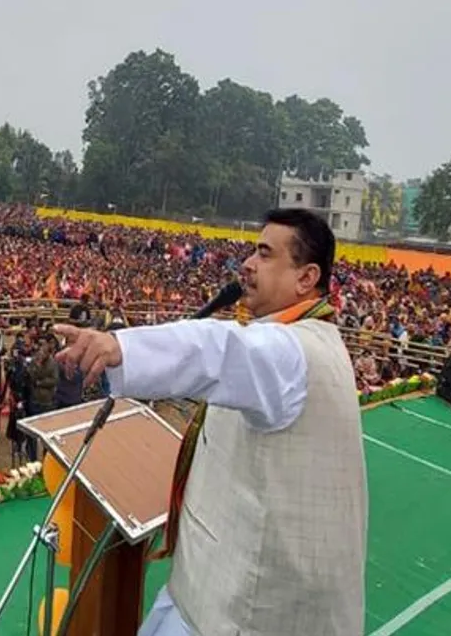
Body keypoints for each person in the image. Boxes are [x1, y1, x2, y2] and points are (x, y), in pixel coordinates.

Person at [54, 209, 367, 636]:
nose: (248, 265)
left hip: (245, 609)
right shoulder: (303, 339)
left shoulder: (292, 351)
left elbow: (218, 349)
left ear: (306, 278)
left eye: (265, 254)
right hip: (208, 587)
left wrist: (119, 348)